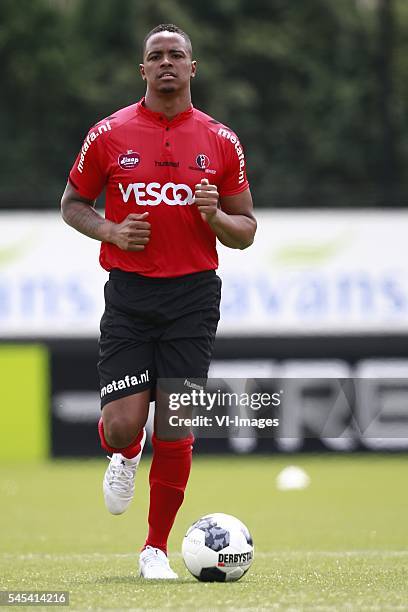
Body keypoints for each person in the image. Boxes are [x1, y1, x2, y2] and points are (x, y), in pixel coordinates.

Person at [61, 23, 256, 579]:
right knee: (125, 425)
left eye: (177, 55)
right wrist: (111, 231)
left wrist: (215, 217)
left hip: (194, 296)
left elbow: (246, 229)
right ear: (142, 70)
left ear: (193, 68)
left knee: (175, 421)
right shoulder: (110, 133)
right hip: (129, 294)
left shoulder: (221, 140)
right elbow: (73, 202)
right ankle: (121, 452)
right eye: (156, 56)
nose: (166, 63)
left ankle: (153, 549)